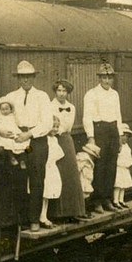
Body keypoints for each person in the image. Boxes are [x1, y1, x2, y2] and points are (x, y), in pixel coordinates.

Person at [2, 60, 54, 227]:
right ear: (18, 78)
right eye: (22, 77)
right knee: (19, 178)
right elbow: (0, 118)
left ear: (33, 77)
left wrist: (29, 134)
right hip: (18, 141)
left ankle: (34, 220)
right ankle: (21, 219)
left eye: (29, 76)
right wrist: (5, 132)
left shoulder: (42, 96)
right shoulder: (11, 97)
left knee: (37, 178)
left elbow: (47, 123)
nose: (26, 80)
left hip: (36, 141)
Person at [82, 62, 123, 213]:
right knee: (100, 166)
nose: (107, 80)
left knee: (111, 166)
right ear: (99, 78)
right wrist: (91, 137)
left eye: (110, 77)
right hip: (100, 130)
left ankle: (107, 199)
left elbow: (118, 115)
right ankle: (97, 201)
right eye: (104, 77)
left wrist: (119, 135)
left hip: (113, 130)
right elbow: (87, 117)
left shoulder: (114, 94)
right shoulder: (91, 94)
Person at [48, 79, 89, 221]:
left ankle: (73, 211)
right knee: (57, 174)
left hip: (66, 140)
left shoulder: (71, 107)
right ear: (55, 91)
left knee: (71, 174)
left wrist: (64, 131)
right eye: (59, 90)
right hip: (54, 140)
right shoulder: (50, 106)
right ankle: (58, 214)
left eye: (64, 91)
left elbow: (68, 127)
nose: (61, 93)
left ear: (68, 92)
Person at [113, 124, 132, 209]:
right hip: (119, 168)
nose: (125, 138)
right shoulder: (119, 146)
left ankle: (121, 200)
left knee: (123, 185)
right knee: (118, 185)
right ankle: (115, 201)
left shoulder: (127, 146)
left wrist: (128, 164)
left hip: (125, 168)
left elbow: (128, 156)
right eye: (123, 135)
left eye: (127, 136)